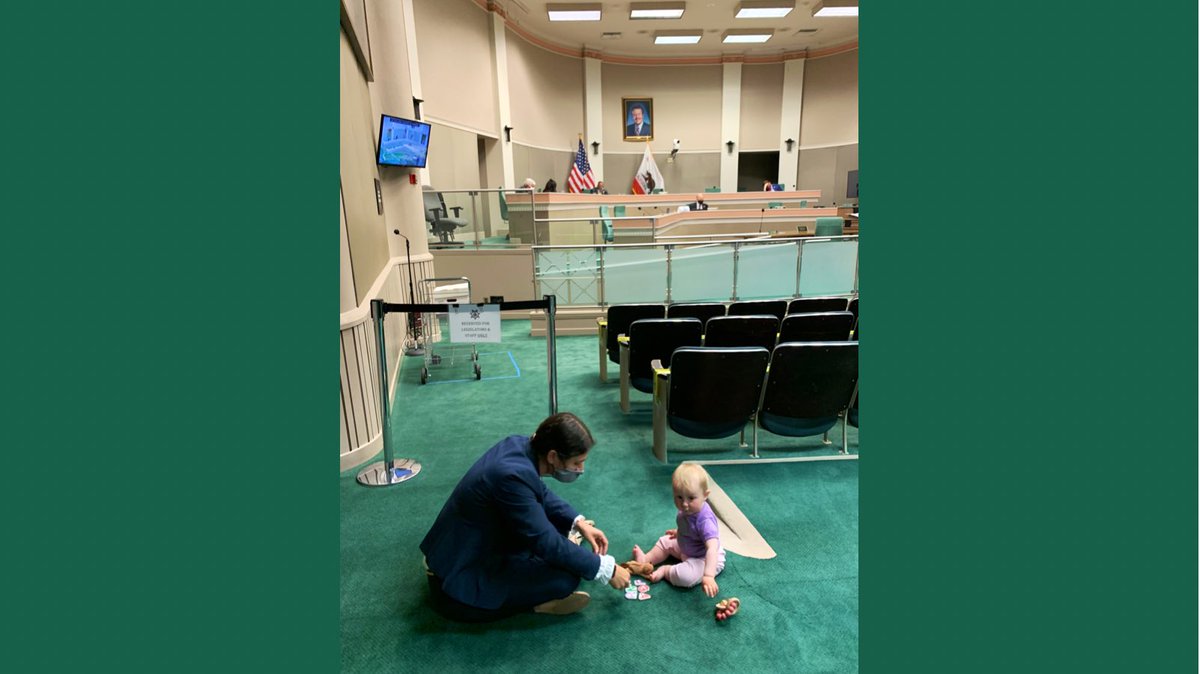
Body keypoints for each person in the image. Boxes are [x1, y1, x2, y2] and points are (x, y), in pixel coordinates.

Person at [420, 413, 631, 622]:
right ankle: (537, 604)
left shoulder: (520, 445)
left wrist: (578, 522)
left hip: (471, 545)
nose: (580, 470)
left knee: (560, 535)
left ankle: (556, 562)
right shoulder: (510, 477)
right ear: (553, 456)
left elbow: (540, 492)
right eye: (577, 463)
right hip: (458, 579)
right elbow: (546, 542)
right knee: (565, 580)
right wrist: (607, 569)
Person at [623, 463, 725, 598]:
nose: (684, 504)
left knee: (686, 577)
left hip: (705, 557)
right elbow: (689, 526)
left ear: (705, 495)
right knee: (665, 541)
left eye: (691, 498)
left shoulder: (705, 521)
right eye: (679, 497)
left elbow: (712, 549)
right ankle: (646, 560)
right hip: (687, 544)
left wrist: (708, 575)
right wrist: (679, 532)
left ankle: (666, 570)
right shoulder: (687, 509)